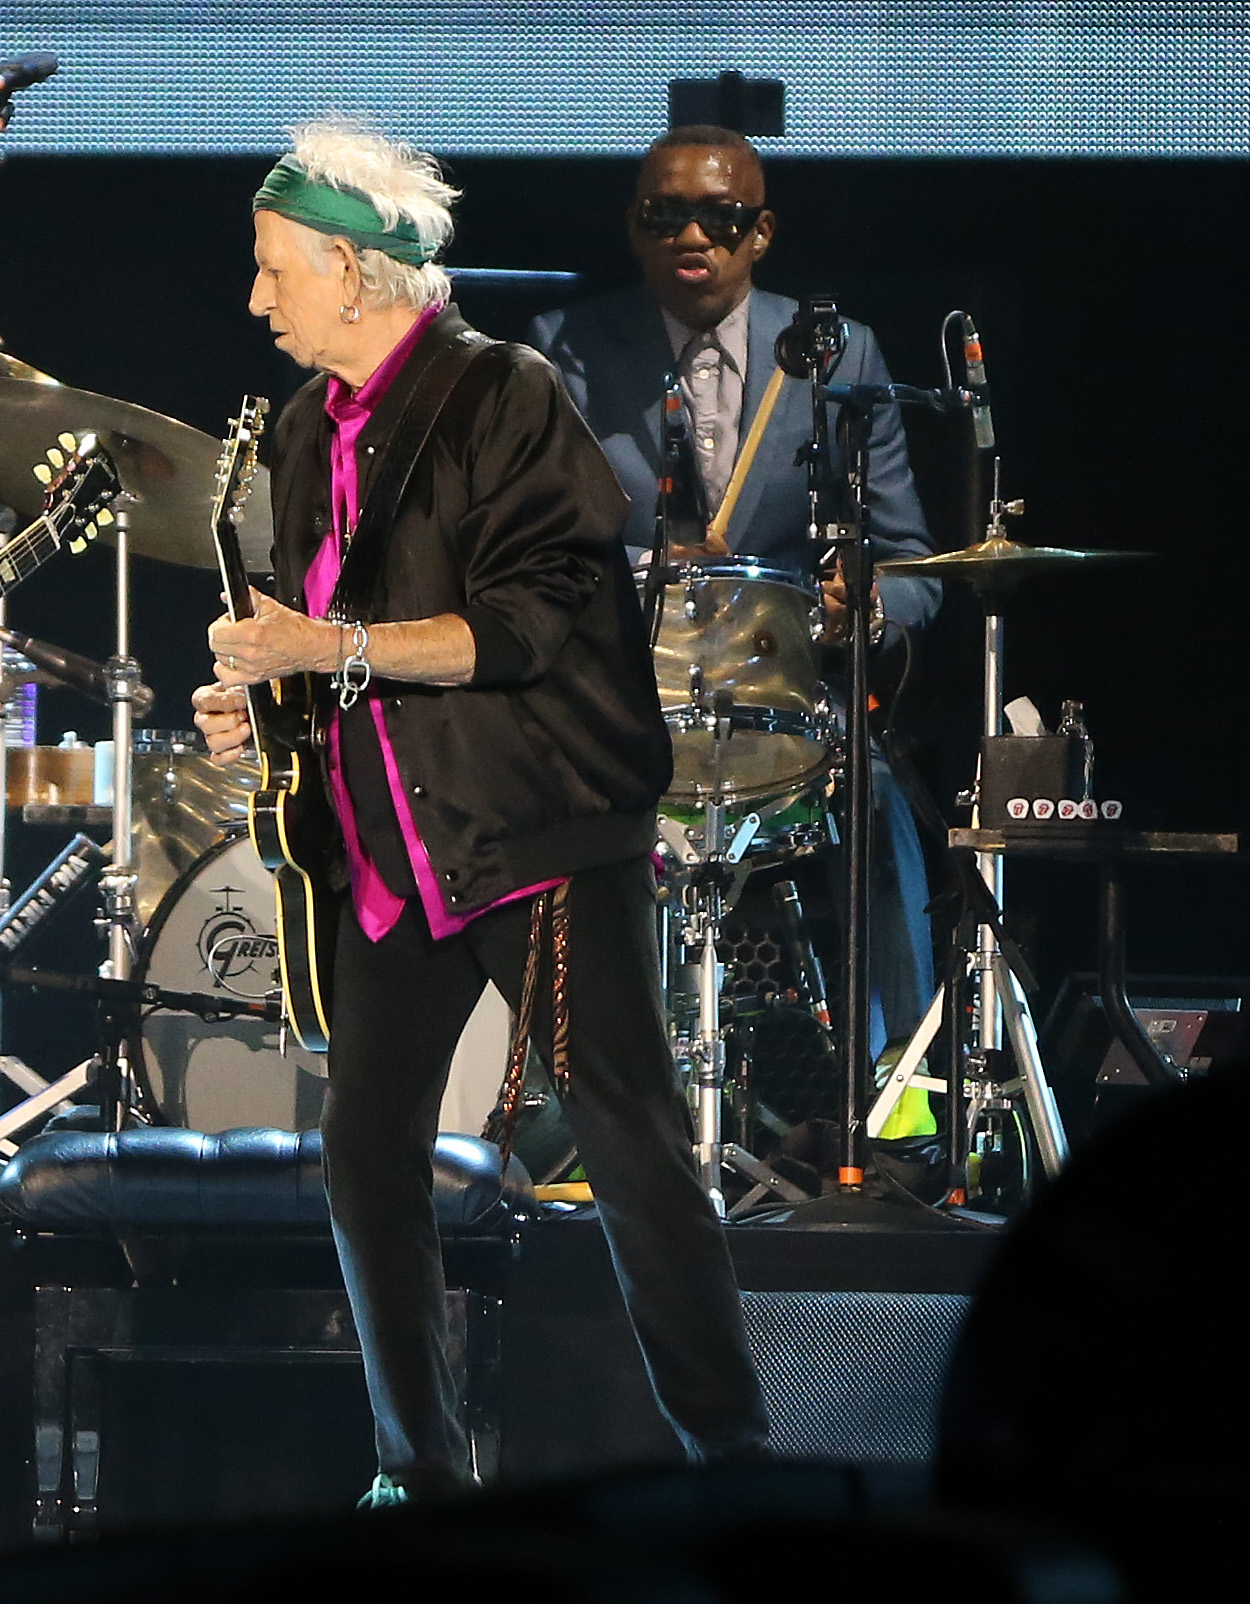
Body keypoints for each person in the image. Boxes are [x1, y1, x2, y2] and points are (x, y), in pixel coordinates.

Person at [194, 123, 767, 1504]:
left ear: (350, 266)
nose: (257, 300)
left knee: (624, 1139)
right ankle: (417, 1475)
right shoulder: (294, 431)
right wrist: (264, 707)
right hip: (396, 849)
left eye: (276, 272)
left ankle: (732, 1463)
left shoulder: (500, 392)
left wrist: (317, 655)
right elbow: (330, 639)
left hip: (533, 837)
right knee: (363, 1155)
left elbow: (520, 628)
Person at [528, 124, 938, 1056]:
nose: (692, 236)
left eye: (721, 217)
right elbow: (531, 550)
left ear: (762, 233)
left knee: (876, 794)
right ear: (634, 230)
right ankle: (584, 1096)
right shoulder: (565, 351)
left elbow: (911, 561)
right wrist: (631, 580)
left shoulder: (840, 355)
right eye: (663, 215)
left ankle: (899, 1097)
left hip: (779, 705)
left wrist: (859, 605)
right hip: (625, 705)